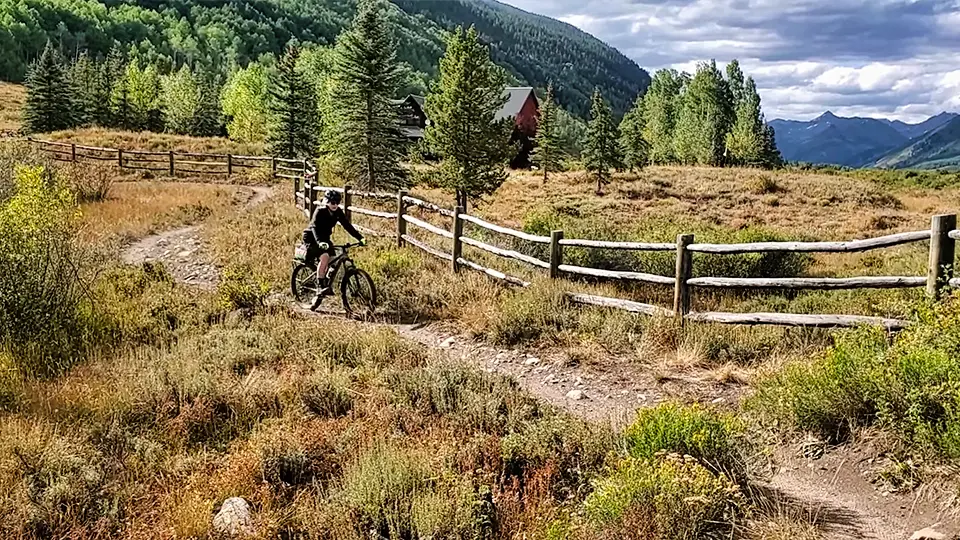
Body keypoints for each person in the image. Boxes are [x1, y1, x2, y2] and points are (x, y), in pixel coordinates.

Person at [302, 189, 366, 308]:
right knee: (325, 257)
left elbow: (347, 225)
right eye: (332, 202)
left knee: (333, 259)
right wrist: (320, 242)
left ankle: (326, 283)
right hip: (312, 237)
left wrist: (360, 238)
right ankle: (321, 286)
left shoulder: (338, 212)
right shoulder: (320, 211)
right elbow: (314, 227)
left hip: (324, 238)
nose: (335, 205)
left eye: (337, 202)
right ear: (327, 202)